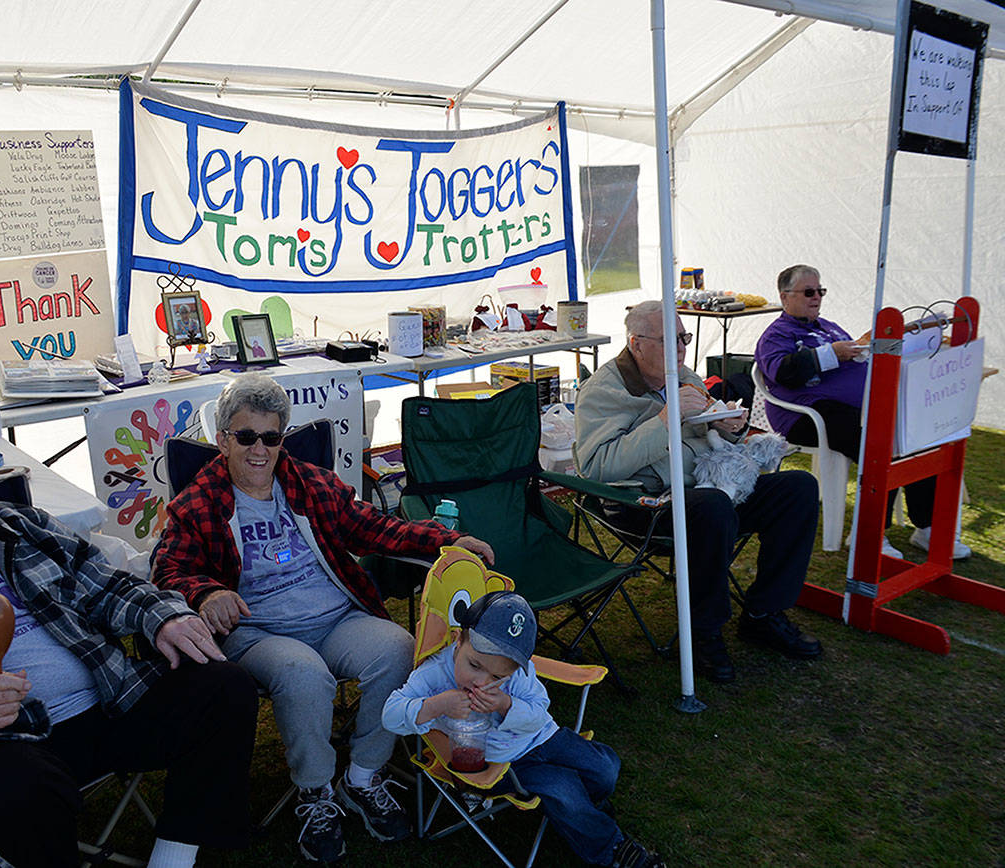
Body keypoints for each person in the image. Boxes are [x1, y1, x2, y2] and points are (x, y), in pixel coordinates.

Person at [0, 411, 258, 868]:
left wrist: (163, 617)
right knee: (20, 795)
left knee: (227, 687)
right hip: (4, 742)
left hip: (109, 700)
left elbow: (107, 585)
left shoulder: (19, 525)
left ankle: (174, 855)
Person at [153, 372, 495, 863]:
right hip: (259, 631)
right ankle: (315, 794)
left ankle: (363, 776)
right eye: (246, 436)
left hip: (335, 617)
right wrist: (205, 592)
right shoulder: (199, 502)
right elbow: (167, 568)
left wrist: (444, 540)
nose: (259, 449)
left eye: (271, 437)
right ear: (223, 440)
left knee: (398, 647)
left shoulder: (307, 482)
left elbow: (371, 528)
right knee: (303, 674)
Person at [574, 301, 822, 683]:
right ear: (636, 344)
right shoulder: (603, 390)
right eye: (669, 341)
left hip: (710, 486)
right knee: (713, 507)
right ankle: (704, 633)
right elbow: (596, 467)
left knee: (798, 488)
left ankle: (764, 613)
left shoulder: (681, 374)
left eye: (684, 338)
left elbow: (708, 425)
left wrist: (730, 425)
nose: (681, 349)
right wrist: (665, 419)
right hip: (644, 503)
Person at [382, 592, 664, 868]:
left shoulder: (518, 673)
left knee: (606, 769)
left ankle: (584, 816)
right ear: (459, 640)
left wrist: (505, 705)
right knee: (564, 792)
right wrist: (436, 706)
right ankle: (614, 852)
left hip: (544, 737)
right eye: (475, 665)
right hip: (504, 763)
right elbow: (390, 715)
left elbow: (539, 713)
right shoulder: (434, 675)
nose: (481, 682)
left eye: (496, 677)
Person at [755, 264, 970, 559]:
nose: (816, 297)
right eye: (808, 292)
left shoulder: (829, 326)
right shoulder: (777, 334)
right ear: (784, 296)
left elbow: (858, 354)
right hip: (807, 414)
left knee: (914, 432)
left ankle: (926, 527)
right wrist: (833, 354)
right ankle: (868, 535)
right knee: (881, 442)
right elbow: (782, 371)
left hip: (853, 407)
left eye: (820, 291)